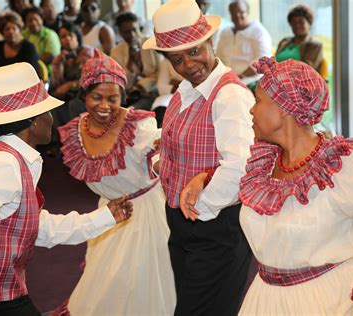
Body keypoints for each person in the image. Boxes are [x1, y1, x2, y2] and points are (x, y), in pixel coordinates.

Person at [181, 57, 353, 315]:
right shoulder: (265, 161)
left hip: (332, 300)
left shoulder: (341, 166)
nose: (251, 110)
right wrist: (205, 177)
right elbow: (237, 180)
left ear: (284, 108)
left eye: (258, 100)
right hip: (268, 300)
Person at [0, 62, 133, 316]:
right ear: (33, 122)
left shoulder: (15, 159)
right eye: (48, 112)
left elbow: (37, 227)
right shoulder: (2, 165)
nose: (51, 119)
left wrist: (105, 217)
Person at [142, 0, 254, 314]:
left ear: (210, 42)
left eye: (194, 52)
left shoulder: (229, 95)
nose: (189, 65)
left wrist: (198, 211)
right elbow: (170, 143)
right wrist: (161, 164)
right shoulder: (185, 90)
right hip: (184, 225)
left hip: (214, 228)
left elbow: (240, 169)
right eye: (177, 59)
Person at [54, 50, 176, 315]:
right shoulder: (76, 130)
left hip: (145, 213)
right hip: (107, 213)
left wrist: (161, 164)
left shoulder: (137, 126)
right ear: (83, 95)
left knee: (140, 281)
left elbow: (156, 153)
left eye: (113, 98)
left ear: (123, 97)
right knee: (106, 281)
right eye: (96, 97)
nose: (105, 105)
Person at [111, 11, 160, 110]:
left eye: (134, 30)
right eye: (127, 32)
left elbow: (160, 72)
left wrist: (142, 85)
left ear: (139, 28)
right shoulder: (116, 52)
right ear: (120, 33)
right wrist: (130, 60)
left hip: (152, 91)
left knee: (130, 111)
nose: (132, 35)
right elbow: (123, 83)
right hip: (130, 95)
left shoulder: (151, 44)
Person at [216, 0, 271, 87]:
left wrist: (238, 77)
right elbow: (218, 57)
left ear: (248, 12)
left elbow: (263, 61)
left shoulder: (258, 31)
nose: (237, 15)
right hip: (227, 80)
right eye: (233, 13)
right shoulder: (225, 32)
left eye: (241, 12)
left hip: (251, 82)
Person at [275, 4, 323, 74]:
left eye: (301, 22)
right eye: (294, 22)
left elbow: (306, 70)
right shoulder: (284, 42)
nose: (297, 25)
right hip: (276, 80)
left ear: (309, 23)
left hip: (299, 83)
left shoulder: (315, 46)